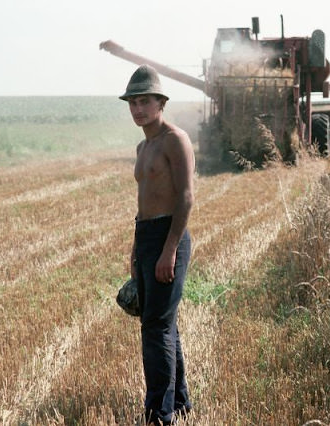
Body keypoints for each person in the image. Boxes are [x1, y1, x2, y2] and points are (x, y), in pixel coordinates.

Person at [120, 64, 195, 425]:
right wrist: (137, 248)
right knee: (163, 324)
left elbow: (185, 198)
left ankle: (158, 415)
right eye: (132, 102)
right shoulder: (142, 145)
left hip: (170, 236)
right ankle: (179, 402)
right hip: (147, 236)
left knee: (155, 327)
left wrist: (169, 250)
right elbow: (143, 200)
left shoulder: (175, 140)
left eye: (144, 101)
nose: (138, 109)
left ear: (161, 102)